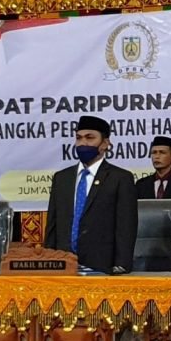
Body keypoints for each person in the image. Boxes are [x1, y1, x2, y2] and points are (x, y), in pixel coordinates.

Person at [44, 115, 138, 274]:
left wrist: (122, 264)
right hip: (64, 264)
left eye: (90, 138)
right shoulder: (62, 178)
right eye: (79, 138)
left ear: (105, 144)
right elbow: (53, 224)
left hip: (102, 266)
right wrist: (49, 258)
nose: (83, 143)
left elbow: (126, 225)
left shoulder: (120, 178)